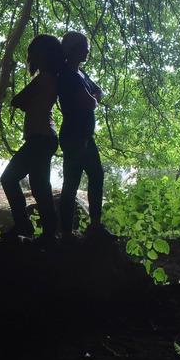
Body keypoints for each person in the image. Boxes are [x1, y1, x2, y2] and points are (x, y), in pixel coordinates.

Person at [0, 33, 64, 241]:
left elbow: (18, 100)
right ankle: (49, 233)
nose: (30, 58)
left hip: (40, 138)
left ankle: (24, 225)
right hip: (45, 137)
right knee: (39, 187)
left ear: (42, 55)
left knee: (9, 178)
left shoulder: (44, 78)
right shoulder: (52, 77)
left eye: (33, 53)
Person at [57, 31, 108, 238]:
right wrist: (93, 99)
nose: (88, 51)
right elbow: (91, 102)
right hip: (74, 136)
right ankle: (67, 232)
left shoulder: (81, 74)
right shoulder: (68, 75)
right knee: (72, 183)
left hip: (85, 136)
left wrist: (93, 98)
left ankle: (94, 226)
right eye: (84, 47)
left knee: (96, 176)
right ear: (73, 49)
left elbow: (99, 92)